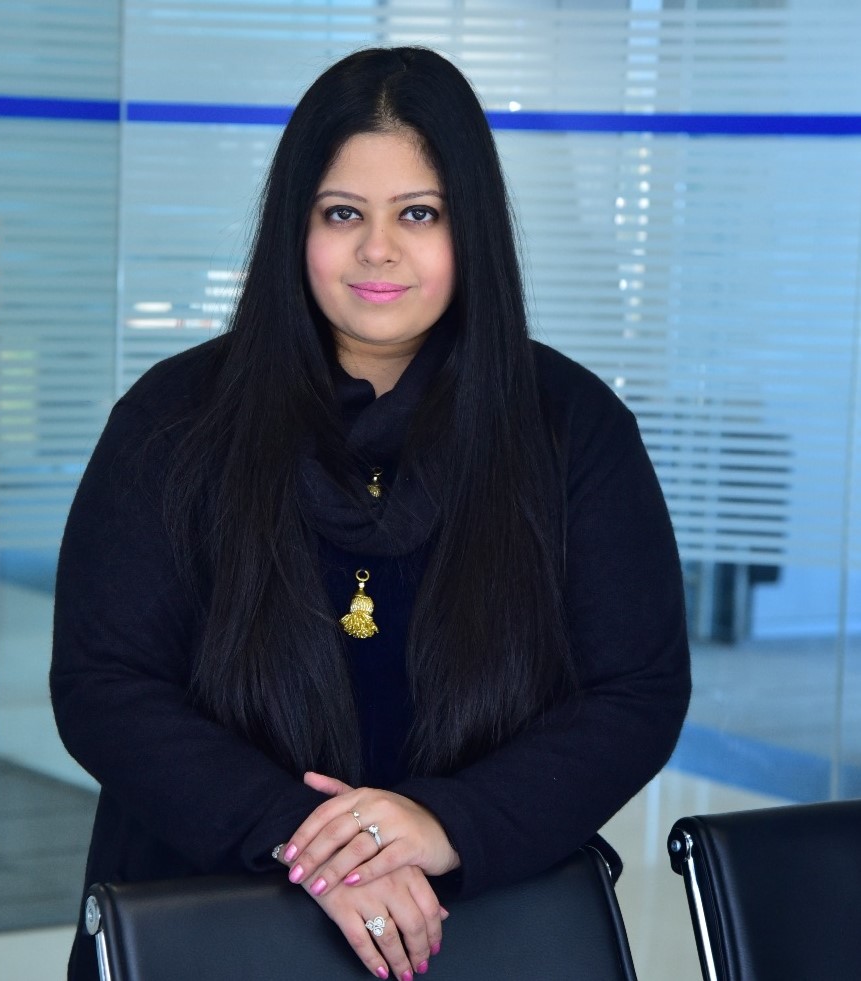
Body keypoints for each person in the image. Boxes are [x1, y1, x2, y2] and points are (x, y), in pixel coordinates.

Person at [50, 45, 690, 981]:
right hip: (210, 919)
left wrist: (442, 821)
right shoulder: (174, 418)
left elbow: (635, 690)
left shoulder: (569, 424)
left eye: (418, 213)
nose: (377, 249)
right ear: (294, 227)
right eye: (342, 213)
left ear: (470, 226)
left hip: (485, 924)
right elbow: (105, 684)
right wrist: (309, 843)